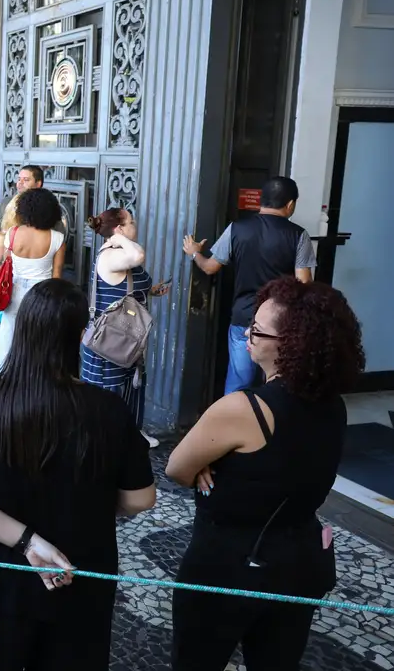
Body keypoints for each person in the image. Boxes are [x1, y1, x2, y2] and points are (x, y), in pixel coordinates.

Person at [0, 278, 155, 670]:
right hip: (77, 575)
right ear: (80, 335)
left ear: (22, 328)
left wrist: (27, 542)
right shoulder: (109, 410)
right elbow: (140, 498)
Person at [165, 277, 364, 671]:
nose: (247, 335)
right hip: (300, 561)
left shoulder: (243, 408)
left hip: (228, 564)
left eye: (256, 330)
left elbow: (176, 469)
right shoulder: (334, 405)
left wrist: (208, 463)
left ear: (290, 344)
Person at [183, 176, 315, 395]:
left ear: (261, 200)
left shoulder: (236, 229)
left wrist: (195, 253)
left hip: (243, 319)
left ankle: (233, 415)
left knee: (238, 383)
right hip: (279, 322)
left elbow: (209, 267)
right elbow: (303, 284)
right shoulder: (299, 236)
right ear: (290, 204)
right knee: (277, 382)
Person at [81, 208, 170, 447]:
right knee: (110, 390)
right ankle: (105, 441)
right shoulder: (110, 255)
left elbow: (126, 285)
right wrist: (118, 238)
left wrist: (152, 291)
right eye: (131, 222)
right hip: (109, 338)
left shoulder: (122, 253)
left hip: (127, 334)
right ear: (119, 228)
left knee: (131, 385)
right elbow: (138, 255)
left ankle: (131, 432)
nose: (135, 225)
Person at [0, 187, 66, 374]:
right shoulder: (58, 238)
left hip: (14, 290)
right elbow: (57, 276)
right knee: (38, 340)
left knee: (8, 335)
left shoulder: (12, 233)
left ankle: (1, 377)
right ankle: (33, 380)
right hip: (43, 293)